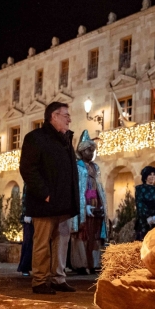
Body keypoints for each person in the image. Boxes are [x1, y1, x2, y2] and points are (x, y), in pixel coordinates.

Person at [19, 102, 79, 294]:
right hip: (44, 202)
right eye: (66, 115)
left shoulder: (66, 140)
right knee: (42, 242)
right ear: (53, 116)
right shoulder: (35, 138)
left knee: (61, 241)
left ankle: (58, 278)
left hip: (63, 203)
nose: (69, 118)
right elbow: (28, 169)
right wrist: (44, 193)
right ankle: (40, 280)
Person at [70, 131, 107, 275]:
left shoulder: (95, 167)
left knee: (94, 234)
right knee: (82, 234)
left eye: (93, 150)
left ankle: (93, 263)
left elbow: (98, 186)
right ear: (81, 150)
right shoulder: (77, 167)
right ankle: (81, 264)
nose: (91, 153)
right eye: (88, 150)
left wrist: (101, 203)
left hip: (95, 202)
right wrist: (84, 205)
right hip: (83, 204)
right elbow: (79, 187)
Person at [135, 166, 155, 240]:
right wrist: (147, 217)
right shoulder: (139, 189)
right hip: (143, 220)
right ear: (145, 176)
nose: (152, 177)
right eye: (150, 174)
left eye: (154, 175)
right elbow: (140, 204)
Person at [17, 186, 33, 276]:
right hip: (29, 216)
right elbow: (26, 198)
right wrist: (27, 213)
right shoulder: (28, 183)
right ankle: (25, 267)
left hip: (35, 214)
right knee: (28, 241)